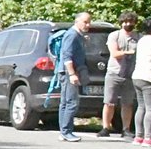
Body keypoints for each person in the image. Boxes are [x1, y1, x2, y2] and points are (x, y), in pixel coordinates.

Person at [56, 11, 92, 142]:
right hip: (69, 73)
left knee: (66, 102)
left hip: (70, 72)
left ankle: (64, 131)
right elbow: (67, 56)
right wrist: (72, 74)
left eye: (89, 22)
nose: (88, 25)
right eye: (85, 22)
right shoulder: (71, 35)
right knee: (70, 102)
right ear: (77, 21)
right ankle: (66, 131)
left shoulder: (78, 35)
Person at [100, 11, 137, 137]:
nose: (128, 24)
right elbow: (115, 53)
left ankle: (126, 129)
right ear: (121, 23)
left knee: (128, 103)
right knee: (109, 102)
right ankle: (105, 127)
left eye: (130, 22)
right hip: (114, 73)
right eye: (125, 22)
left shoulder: (138, 37)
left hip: (130, 74)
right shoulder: (114, 35)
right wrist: (130, 52)